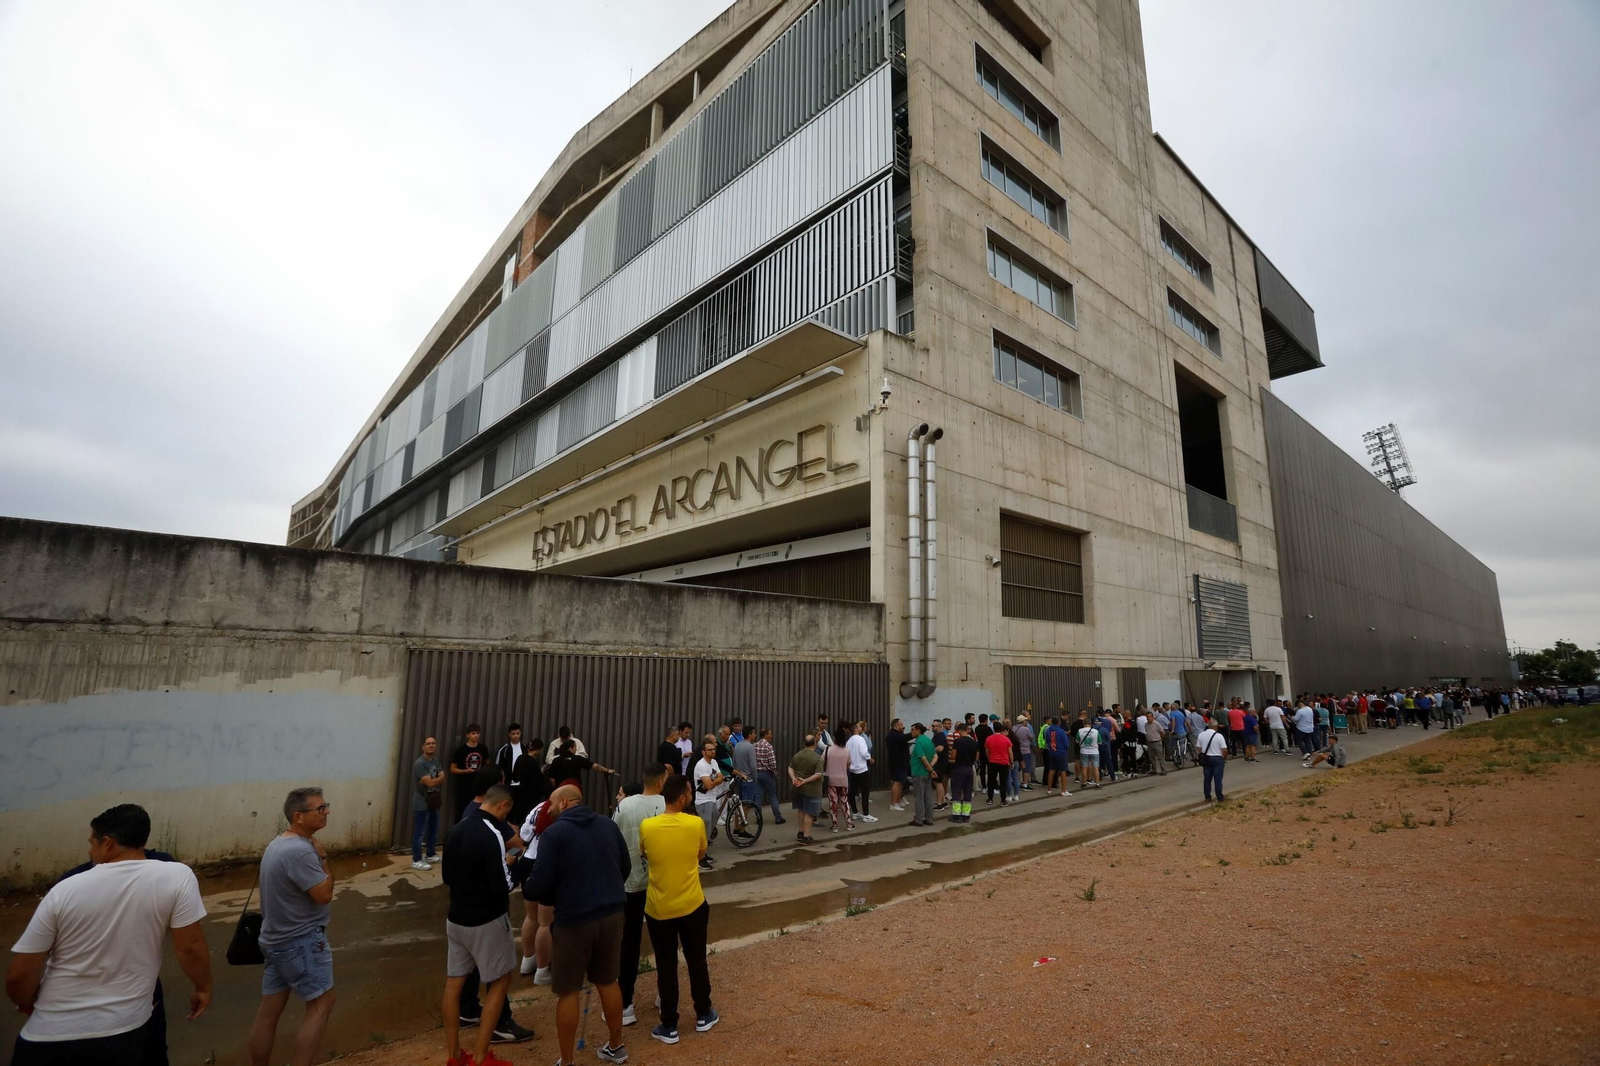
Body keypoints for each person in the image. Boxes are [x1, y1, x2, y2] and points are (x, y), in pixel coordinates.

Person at [7, 804, 210, 1066]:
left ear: (107, 843)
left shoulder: (65, 888)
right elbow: (189, 946)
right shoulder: (175, 875)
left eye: (91, 843)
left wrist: (25, 1003)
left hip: (45, 1037)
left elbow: (19, 974)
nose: (89, 851)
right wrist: (203, 987)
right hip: (123, 1031)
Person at [521, 785, 631, 1066]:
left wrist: (533, 888)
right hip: (611, 914)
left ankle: (568, 1060)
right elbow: (625, 866)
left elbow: (539, 884)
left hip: (573, 921)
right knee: (608, 981)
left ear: (564, 803)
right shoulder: (607, 825)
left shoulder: (554, 834)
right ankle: (616, 1046)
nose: (548, 809)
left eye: (551, 804)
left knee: (568, 990)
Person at [248, 788, 337, 1066]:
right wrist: (324, 858)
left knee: (268, 1012)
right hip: (300, 941)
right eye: (319, 808)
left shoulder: (278, 843)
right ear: (298, 816)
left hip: (276, 941)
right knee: (321, 1004)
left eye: (325, 806)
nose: (326, 812)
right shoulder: (300, 851)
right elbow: (323, 895)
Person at [441, 785, 521, 1066]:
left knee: (454, 984)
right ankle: (480, 1057)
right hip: (487, 920)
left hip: (456, 918)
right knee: (499, 980)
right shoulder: (493, 834)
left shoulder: (457, 829)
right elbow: (503, 885)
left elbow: (447, 876)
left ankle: (454, 1055)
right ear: (503, 806)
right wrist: (515, 866)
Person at [639, 774, 718, 1044]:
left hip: (659, 908)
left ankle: (669, 1024)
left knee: (666, 965)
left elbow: (645, 853)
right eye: (690, 793)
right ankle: (703, 1013)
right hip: (692, 904)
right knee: (697, 960)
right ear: (683, 798)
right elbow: (700, 854)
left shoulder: (648, 826)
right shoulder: (695, 823)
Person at [613, 765, 668, 1028]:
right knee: (664, 939)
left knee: (630, 941)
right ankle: (665, 996)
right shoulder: (668, 804)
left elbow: (614, 839)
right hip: (660, 882)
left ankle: (625, 1004)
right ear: (660, 782)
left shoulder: (625, 806)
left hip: (631, 881)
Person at [412, 735, 446, 870]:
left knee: (433, 828)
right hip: (422, 802)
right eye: (428, 743)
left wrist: (436, 779)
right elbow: (431, 782)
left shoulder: (435, 761)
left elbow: (442, 779)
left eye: (433, 743)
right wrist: (437, 778)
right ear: (423, 747)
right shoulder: (420, 763)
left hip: (433, 801)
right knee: (420, 832)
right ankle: (416, 859)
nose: (431, 745)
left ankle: (430, 854)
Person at [547, 738, 617, 799]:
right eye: (575, 747)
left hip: (560, 791)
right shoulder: (577, 759)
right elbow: (595, 766)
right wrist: (607, 770)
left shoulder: (556, 760)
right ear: (570, 749)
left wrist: (557, 787)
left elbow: (551, 777)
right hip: (574, 790)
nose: (576, 749)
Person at [788, 734, 826, 844]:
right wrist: (805, 781)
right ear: (815, 744)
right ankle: (806, 836)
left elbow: (790, 767)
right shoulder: (817, 758)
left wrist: (794, 778)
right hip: (811, 790)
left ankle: (800, 833)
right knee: (809, 813)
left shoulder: (797, 755)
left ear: (804, 743)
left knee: (801, 810)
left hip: (797, 788)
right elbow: (818, 775)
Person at [692, 737, 728, 846]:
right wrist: (715, 781)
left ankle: (704, 845)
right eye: (709, 750)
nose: (713, 751)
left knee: (714, 820)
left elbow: (721, 777)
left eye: (714, 749)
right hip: (703, 801)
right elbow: (709, 785)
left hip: (712, 799)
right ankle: (701, 850)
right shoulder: (701, 765)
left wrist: (713, 781)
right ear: (703, 752)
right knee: (706, 826)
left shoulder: (714, 762)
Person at [450, 725, 489, 821]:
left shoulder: (483, 748)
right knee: (463, 809)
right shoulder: (461, 750)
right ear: (468, 735)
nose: (476, 735)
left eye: (477, 733)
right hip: (464, 786)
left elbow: (488, 765)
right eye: (473, 733)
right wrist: (466, 771)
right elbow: (453, 769)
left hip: (479, 785)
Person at [508, 736, 549, 825]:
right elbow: (538, 781)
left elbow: (514, 776)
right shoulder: (533, 763)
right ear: (538, 749)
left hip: (518, 794)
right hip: (531, 796)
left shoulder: (520, 758)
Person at [822, 726, 854, 831]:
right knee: (844, 802)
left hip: (831, 780)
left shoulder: (828, 750)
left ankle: (835, 825)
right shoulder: (847, 751)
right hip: (843, 780)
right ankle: (849, 824)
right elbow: (848, 765)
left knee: (833, 802)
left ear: (835, 738)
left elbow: (821, 762)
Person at [751, 728, 785, 824]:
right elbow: (773, 763)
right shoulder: (768, 747)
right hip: (767, 774)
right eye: (770, 734)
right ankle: (778, 818)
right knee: (772, 796)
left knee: (758, 796)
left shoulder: (754, 745)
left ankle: (758, 818)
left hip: (757, 773)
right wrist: (775, 773)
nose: (771, 736)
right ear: (765, 735)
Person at [845, 722, 877, 822]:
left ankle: (855, 813)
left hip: (852, 770)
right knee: (865, 792)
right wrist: (870, 758)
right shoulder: (860, 739)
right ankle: (866, 814)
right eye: (859, 727)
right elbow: (864, 752)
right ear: (856, 729)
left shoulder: (849, 741)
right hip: (862, 769)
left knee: (852, 792)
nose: (861, 728)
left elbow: (847, 754)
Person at [948, 722, 979, 822]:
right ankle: (966, 815)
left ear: (959, 731)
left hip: (959, 768)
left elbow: (953, 756)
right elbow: (977, 757)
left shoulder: (957, 742)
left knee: (956, 791)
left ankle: (956, 815)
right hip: (969, 768)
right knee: (968, 792)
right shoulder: (974, 742)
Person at [909, 722, 938, 825]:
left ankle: (919, 819)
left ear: (918, 730)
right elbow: (935, 756)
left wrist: (929, 769)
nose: (911, 732)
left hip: (919, 773)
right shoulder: (928, 741)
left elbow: (923, 758)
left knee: (919, 797)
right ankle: (929, 818)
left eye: (912, 729)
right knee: (928, 796)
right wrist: (931, 768)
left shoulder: (919, 742)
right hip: (927, 773)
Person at [1194, 720, 1228, 803]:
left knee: (1207, 778)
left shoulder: (1201, 734)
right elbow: (1224, 750)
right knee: (1218, 779)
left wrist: (1203, 753)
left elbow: (1198, 747)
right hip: (1217, 758)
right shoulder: (1219, 736)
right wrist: (1224, 758)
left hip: (1206, 758)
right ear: (1216, 727)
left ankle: (1207, 797)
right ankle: (1220, 797)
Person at [885, 719, 911, 811]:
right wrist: (918, 731)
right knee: (896, 782)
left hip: (900, 762)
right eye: (901, 724)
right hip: (897, 762)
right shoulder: (895, 735)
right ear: (897, 725)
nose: (903, 726)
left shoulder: (894, 735)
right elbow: (907, 737)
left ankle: (898, 801)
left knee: (900, 782)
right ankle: (893, 804)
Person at [1074, 715, 1102, 789]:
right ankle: (1097, 784)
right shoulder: (1096, 731)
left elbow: (1077, 741)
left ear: (1083, 723)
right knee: (1096, 768)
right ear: (1091, 724)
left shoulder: (1080, 731)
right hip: (1094, 751)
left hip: (1084, 751)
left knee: (1084, 767)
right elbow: (1100, 742)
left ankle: (1084, 783)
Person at [1012, 713, 1036, 792]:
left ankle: (1017, 783)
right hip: (1025, 750)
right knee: (1026, 768)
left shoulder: (1013, 728)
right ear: (1023, 721)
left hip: (1016, 751)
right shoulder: (1026, 729)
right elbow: (1031, 738)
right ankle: (1025, 784)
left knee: (1018, 768)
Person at [1143, 707, 1168, 776]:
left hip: (1157, 742)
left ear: (1153, 717)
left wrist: (1161, 739)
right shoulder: (1146, 724)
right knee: (1151, 757)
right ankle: (1154, 769)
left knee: (1160, 757)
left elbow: (1162, 732)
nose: (1148, 718)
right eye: (1147, 717)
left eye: (1149, 717)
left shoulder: (1156, 724)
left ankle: (1163, 770)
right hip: (1149, 742)